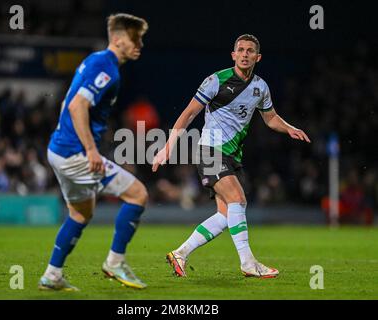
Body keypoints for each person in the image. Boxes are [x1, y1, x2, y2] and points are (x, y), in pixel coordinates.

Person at [152, 34, 311, 278]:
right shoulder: (216, 80)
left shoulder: (261, 87)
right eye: (241, 50)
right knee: (238, 199)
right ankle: (248, 263)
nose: (245, 54)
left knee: (226, 215)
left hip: (232, 155)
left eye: (250, 51)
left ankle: (180, 253)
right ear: (233, 55)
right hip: (210, 151)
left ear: (257, 57)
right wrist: (169, 145)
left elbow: (270, 118)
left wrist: (289, 127)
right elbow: (188, 113)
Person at [39, 13, 149, 291]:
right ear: (117, 39)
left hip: (59, 149)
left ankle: (52, 275)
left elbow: (71, 101)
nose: (140, 44)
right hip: (75, 153)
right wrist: (91, 150)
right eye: (135, 38)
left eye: (141, 39)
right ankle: (115, 261)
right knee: (138, 194)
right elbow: (77, 106)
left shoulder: (96, 60)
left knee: (80, 214)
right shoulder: (106, 66)